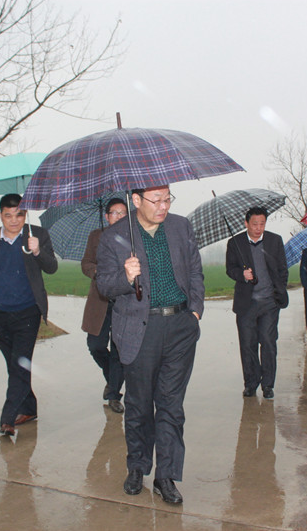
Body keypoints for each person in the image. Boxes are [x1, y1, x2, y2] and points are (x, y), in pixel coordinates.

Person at [96, 185, 203, 505]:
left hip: (180, 326)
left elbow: (195, 271)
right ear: (136, 200)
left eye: (168, 199)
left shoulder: (181, 226)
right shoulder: (114, 236)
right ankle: (137, 466)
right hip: (139, 330)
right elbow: (104, 286)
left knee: (171, 405)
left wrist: (195, 311)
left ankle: (166, 475)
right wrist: (126, 278)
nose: (163, 206)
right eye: (156, 200)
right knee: (140, 405)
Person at [0, 193, 57, 437]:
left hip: (27, 312)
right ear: (0, 215)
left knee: (19, 365)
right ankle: (29, 408)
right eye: (8, 215)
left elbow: (52, 267)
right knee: (15, 366)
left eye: (19, 215)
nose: (14, 220)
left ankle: (7, 419)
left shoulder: (37, 235)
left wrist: (37, 251)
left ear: (25, 215)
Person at [226, 206, 289, 399]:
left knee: (268, 343)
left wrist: (278, 291)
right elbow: (230, 269)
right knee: (248, 344)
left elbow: (282, 269)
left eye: (262, 224)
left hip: (269, 302)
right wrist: (242, 275)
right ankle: (250, 383)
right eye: (254, 224)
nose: (258, 228)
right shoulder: (235, 243)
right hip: (247, 304)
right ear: (246, 223)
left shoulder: (274, 241)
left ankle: (268, 385)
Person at [81, 197, 128, 414]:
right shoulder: (96, 236)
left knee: (119, 350)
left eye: (123, 213)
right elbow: (86, 263)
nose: (118, 217)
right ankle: (112, 379)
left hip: (124, 301)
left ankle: (114, 396)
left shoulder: (134, 238)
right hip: (100, 301)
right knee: (96, 345)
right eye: (114, 213)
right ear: (107, 216)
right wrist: (97, 271)